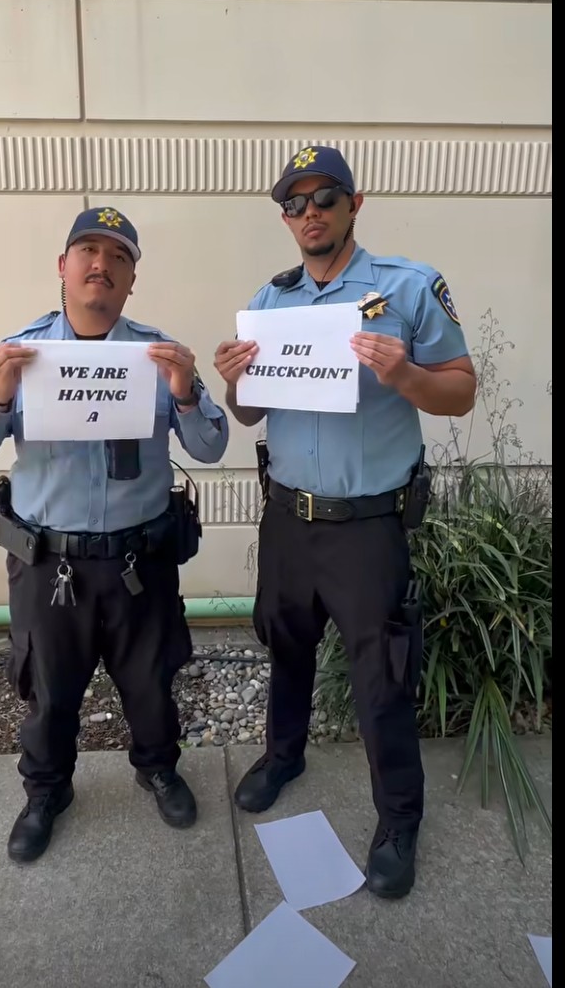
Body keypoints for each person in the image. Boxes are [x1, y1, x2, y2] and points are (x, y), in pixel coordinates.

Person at [214, 146, 475, 899]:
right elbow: (250, 412)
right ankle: (284, 753)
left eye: (324, 196)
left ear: (354, 202)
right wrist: (236, 384)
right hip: (290, 518)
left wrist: (405, 375)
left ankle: (399, 821)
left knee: (382, 678)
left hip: (367, 525)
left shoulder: (409, 287)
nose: (309, 213)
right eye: (293, 204)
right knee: (286, 645)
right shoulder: (271, 300)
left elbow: (460, 391)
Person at [0, 206, 229, 863]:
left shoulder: (158, 354)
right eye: (88, 252)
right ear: (64, 267)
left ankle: (158, 767)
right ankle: (47, 790)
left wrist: (186, 392)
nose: (100, 265)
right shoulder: (21, 353)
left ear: (131, 279)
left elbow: (212, 445)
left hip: (139, 562)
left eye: (118, 256)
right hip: (51, 565)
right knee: (49, 690)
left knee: (152, 680)